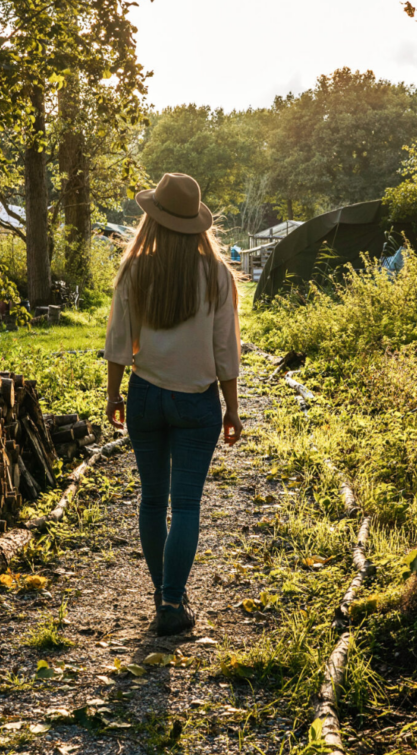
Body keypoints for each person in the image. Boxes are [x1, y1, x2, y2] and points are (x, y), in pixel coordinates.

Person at [104, 172, 243, 636]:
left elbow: (119, 339)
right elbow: (226, 350)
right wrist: (233, 408)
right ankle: (170, 601)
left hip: (145, 396)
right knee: (184, 505)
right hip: (196, 402)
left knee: (151, 500)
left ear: (154, 220)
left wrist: (112, 393)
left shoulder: (136, 268)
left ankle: (163, 593)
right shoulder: (218, 275)